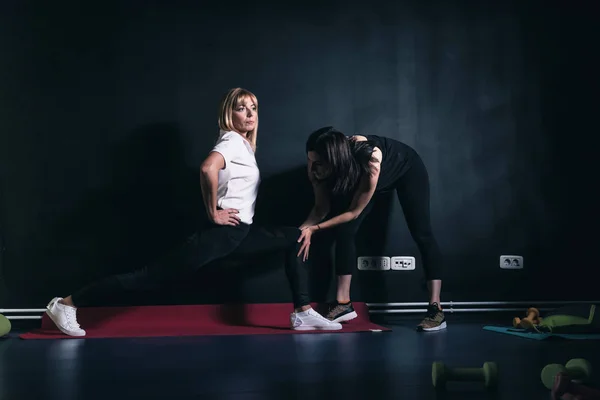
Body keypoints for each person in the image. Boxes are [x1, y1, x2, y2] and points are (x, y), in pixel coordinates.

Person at [45, 88, 342, 337]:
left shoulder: (242, 146)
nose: (250, 114)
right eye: (242, 108)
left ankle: (302, 313)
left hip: (240, 232)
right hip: (222, 233)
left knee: (295, 237)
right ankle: (67, 303)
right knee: (146, 278)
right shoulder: (232, 142)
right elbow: (207, 168)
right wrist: (212, 212)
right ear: (230, 114)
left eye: (253, 108)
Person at [297, 126, 446, 331]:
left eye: (318, 163)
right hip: (366, 180)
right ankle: (343, 304)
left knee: (422, 233)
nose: (313, 169)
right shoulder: (318, 166)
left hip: (405, 167)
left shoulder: (369, 157)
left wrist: (314, 229)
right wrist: (300, 231)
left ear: (334, 160)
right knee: (345, 231)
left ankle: (436, 308)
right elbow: (321, 208)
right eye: (310, 161)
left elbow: (354, 212)